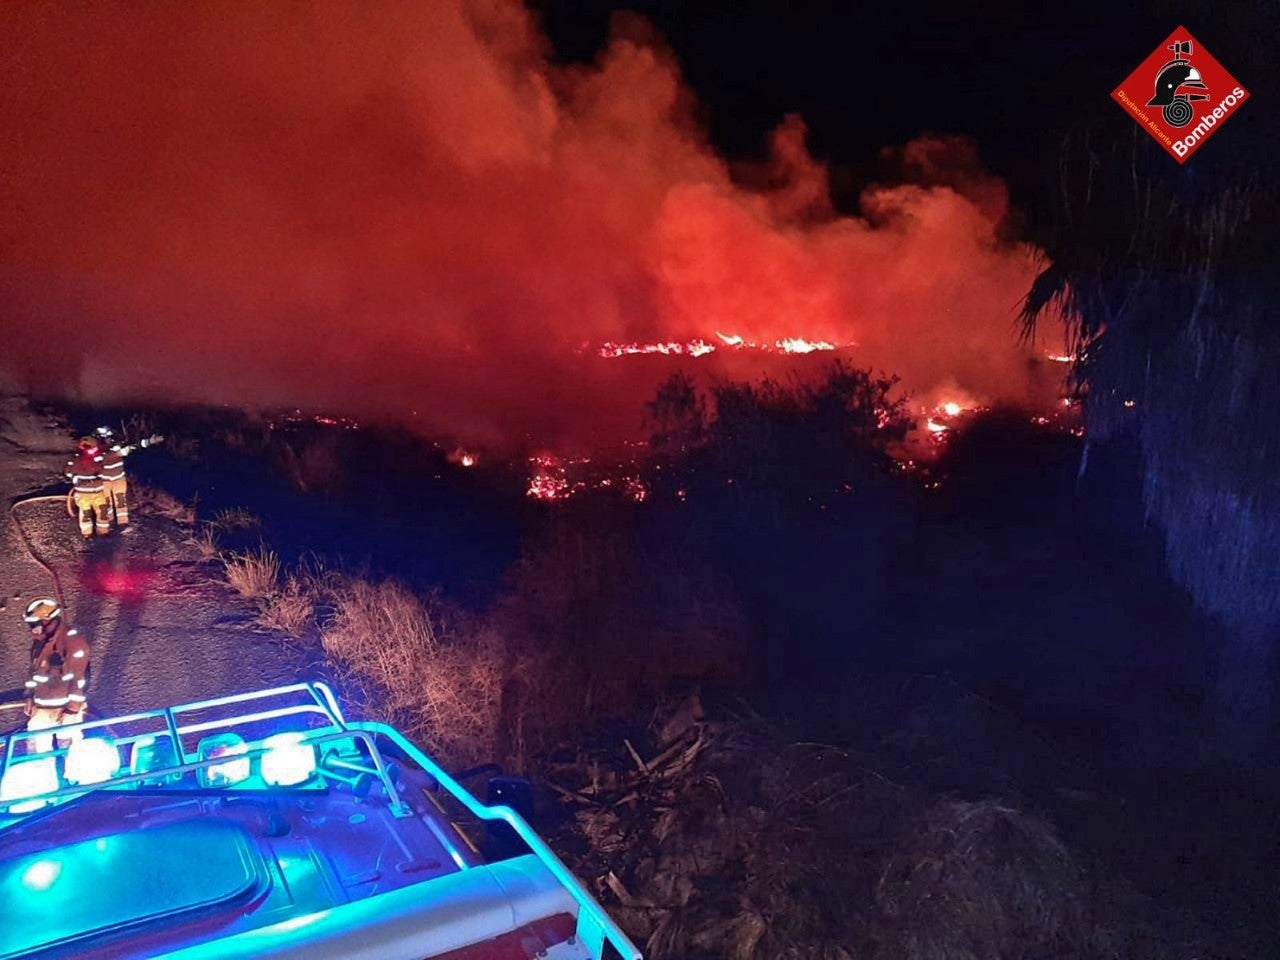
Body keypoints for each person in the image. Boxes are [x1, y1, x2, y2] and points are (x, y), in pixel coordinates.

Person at [22, 598, 91, 753]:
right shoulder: (40, 642)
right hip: (41, 708)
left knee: (70, 750)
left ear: (49, 621)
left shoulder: (73, 642)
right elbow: (33, 672)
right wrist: (29, 696)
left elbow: (79, 679)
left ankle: (73, 776)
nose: (33, 629)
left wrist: (72, 711)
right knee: (35, 751)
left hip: (65, 710)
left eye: (35, 624)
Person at [66, 436, 110, 537]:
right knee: (86, 514)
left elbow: (106, 470)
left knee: (102, 512)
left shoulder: (98, 458)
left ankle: (103, 532)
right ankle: (87, 533)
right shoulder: (76, 459)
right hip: (84, 493)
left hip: (97, 492)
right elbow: (68, 472)